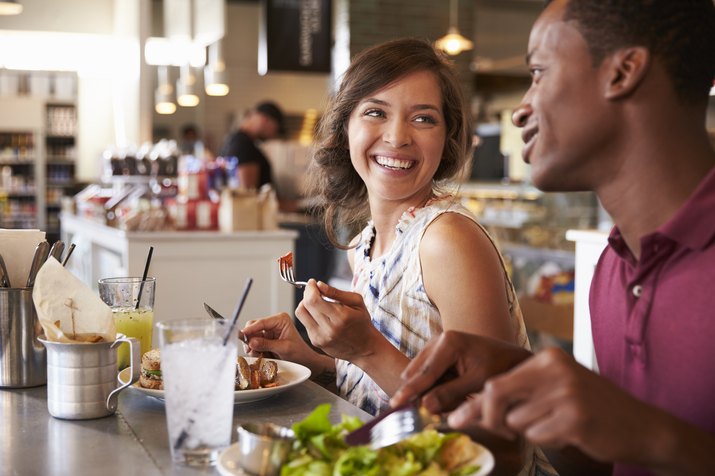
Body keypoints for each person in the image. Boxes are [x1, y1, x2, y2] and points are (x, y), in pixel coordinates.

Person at [392, 1, 715, 475]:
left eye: (538, 72)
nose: (522, 110)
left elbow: (644, 439)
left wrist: (649, 432)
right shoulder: (613, 267)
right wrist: (518, 415)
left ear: (623, 72)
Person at [241, 38, 553, 475]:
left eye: (423, 118)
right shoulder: (366, 244)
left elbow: (498, 441)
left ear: (446, 140)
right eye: (376, 112)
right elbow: (391, 383)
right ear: (346, 125)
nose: (397, 136)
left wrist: (367, 350)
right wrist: (313, 359)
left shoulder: (447, 240)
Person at [219, 100, 285, 190]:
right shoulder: (244, 145)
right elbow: (248, 193)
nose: (273, 135)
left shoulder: (233, 140)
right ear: (265, 120)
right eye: (275, 129)